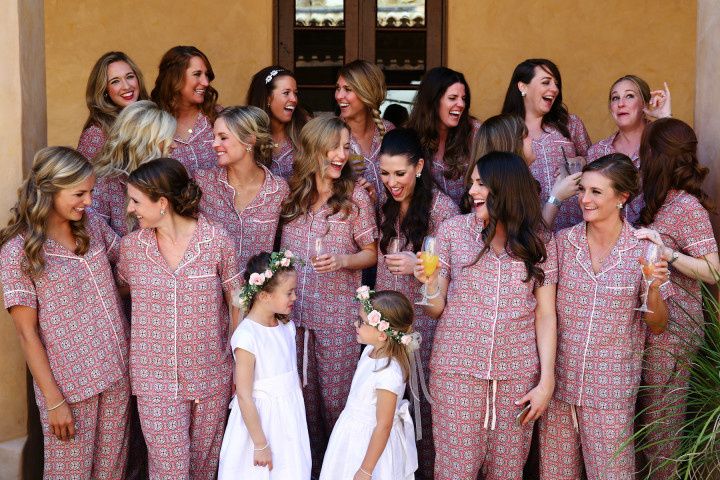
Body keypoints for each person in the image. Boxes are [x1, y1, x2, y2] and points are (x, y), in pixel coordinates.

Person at [415, 152, 558, 480]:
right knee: (455, 472)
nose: (472, 192)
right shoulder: (452, 231)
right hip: (457, 374)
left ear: (506, 189)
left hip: (517, 378)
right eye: (472, 183)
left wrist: (546, 380)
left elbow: (546, 315)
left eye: (482, 184)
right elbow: (435, 309)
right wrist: (429, 285)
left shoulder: (539, 242)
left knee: (508, 472)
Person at [538, 153, 671, 479]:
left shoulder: (644, 249)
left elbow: (658, 324)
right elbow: (544, 312)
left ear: (622, 197)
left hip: (610, 394)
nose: (584, 199)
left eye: (596, 192)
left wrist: (653, 288)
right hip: (558, 390)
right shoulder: (562, 243)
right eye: (583, 189)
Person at [0, 147, 130, 478]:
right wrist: (55, 402)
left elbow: (133, 267)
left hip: (117, 372)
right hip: (70, 387)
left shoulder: (95, 227)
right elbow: (26, 334)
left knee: (111, 472)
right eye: (79, 193)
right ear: (50, 190)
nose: (88, 201)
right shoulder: (19, 251)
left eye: (90, 191)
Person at [117, 158, 240, 479]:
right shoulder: (131, 250)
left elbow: (237, 303)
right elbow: (120, 294)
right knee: (169, 472)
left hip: (211, 377)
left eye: (136, 201)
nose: (130, 209)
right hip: (154, 381)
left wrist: (239, 367)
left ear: (162, 202)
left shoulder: (217, 241)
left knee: (202, 470)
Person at [279, 115, 378, 475]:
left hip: (338, 321)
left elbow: (372, 253)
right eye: (334, 147)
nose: (341, 154)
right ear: (314, 149)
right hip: (293, 321)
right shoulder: (290, 195)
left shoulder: (354, 199)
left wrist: (342, 260)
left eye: (346, 147)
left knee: (337, 404)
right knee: (300, 407)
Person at [634, 118, 719, 478]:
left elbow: (714, 270)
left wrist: (667, 253)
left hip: (674, 337)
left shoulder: (686, 207)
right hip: (649, 329)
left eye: (646, 149)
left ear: (656, 156)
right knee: (643, 432)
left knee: (661, 435)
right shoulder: (656, 199)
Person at [374, 127, 458, 479]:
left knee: (422, 411)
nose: (391, 182)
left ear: (420, 167)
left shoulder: (444, 211)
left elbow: (452, 279)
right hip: (385, 324)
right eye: (384, 173)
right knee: (385, 408)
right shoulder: (385, 205)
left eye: (399, 174)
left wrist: (418, 264)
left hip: (423, 325)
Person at [218, 251, 311, 479]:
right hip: (260, 420)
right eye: (289, 292)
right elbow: (244, 395)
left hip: (288, 418)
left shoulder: (286, 328)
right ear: (263, 295)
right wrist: (260, 443)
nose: (295, 297)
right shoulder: (247, 336)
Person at [320, 289, 418, 480]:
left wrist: (366, 469)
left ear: (382, 334)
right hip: (351, 434)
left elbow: (383, 425)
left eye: (362, 322)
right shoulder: (369, 352)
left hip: (370, 445)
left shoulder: (389, 373)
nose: (355, 324)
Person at [195, 106, 289, 290]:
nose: (214, 144)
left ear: (250, 140)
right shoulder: (202, 183)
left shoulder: (278, 190)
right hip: (211, 295)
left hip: (259, 298)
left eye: (223, 137)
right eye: (214, 137)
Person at [501, 58, 591, 231]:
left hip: (576, 224)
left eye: (556, 84)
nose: (555, 89)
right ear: (522, 87)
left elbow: (596, 166)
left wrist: (584, 162)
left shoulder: (570, 123)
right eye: (546, 82)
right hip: (529, 228)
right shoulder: (505, 131)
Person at [469, 113, 583, 227]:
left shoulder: (520, 181)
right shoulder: (496, 190)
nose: (532, 138)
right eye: (525, 135)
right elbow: (532, 238)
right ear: (512, 144)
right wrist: (556, 198)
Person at [586, 75, 671, 224]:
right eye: (615, 98)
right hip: (611, 242)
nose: (621, 104)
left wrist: (664, 117)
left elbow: (681, 177)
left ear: (644, 103)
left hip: (658, 238)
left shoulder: (661, 144)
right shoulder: (597, 151)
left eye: (629, 96)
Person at [92, 100, 176, 236]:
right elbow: (97, 240)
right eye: (166, 139)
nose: (173, 145)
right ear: (145, 143)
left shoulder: (170, 175)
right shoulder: (104, 185)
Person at [406, 67, 481, 207]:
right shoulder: (410, 136)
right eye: (452, 98)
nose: (461, 104)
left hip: (470, 220)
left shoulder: (475, 131)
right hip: (427, 221)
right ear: (433, 100)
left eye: (464, 99)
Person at [152, 45, 220, 174]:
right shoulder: (152, 123)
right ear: (174, 78)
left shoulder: (219, 117)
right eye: (197, 74)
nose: (205, 82)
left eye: (206, 75)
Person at [336, 60, 394, 207]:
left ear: (366, 93)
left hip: (391, 223)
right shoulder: (330, 133)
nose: (339, 96)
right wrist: (344, 174)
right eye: (338, 88)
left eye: (348, 89)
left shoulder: (389, 131)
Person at [78, 51, 149, 161]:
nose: (126, 86)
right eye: (115, 81)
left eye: (130, 77)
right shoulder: (95, 134)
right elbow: (81, 177)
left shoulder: (153, 117)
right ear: (104, 90)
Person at [246, 66, 309, 180]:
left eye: (295, 93)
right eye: (286, 93)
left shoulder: (306, 129)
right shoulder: (246, 135)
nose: (294, 99)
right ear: (268, 98)